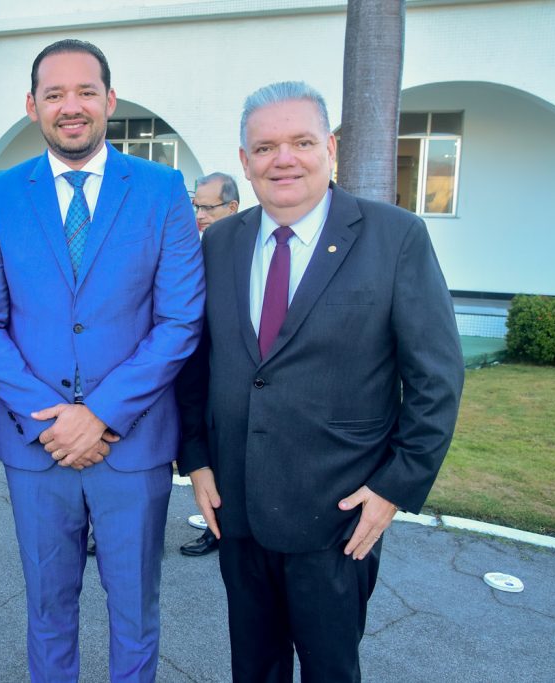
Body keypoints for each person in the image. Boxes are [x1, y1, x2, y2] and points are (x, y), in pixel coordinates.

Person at [176, 81, 464, 682]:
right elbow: (196, 362)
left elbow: (435, 380)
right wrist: (198, 460)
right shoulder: (219, 243)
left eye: (302, 141)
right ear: (245, 161)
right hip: (238, 506)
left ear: (329, 147)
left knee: (332, 670)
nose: (284, 159)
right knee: (254, 667)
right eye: (265, 147)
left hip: (338, 516)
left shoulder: (395, 237)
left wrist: (393, 487)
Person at [0, 40, 204, 681]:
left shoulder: (161, 189)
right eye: (55, 94)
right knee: (47, 609)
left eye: (85, 91)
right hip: (34, 445)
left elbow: (179, 319)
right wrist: (51, 420)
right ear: (33, 105)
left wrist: (99, 414)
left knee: (135, 612)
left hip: (134, 444)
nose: (71, 106)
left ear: (109, 100)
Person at [179, 171, 240, 558]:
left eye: (207, 206)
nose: (199, 213)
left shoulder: (240, 252)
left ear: (231, 208)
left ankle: (218, 530)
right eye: (196, 205)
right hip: (194, 370)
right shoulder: (195, 250)